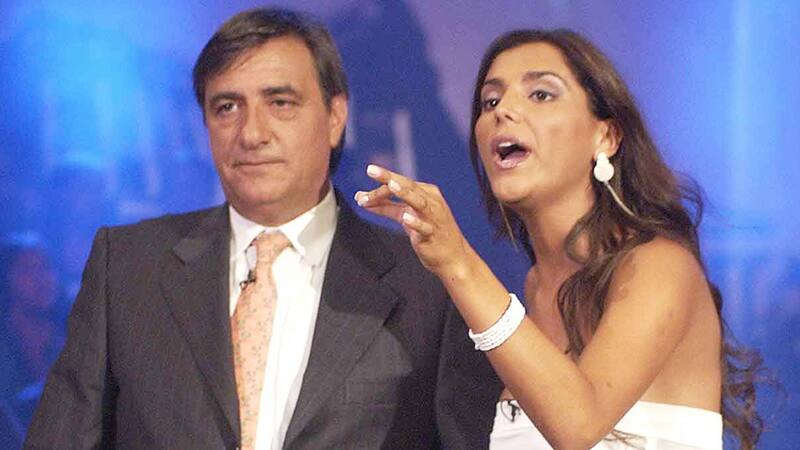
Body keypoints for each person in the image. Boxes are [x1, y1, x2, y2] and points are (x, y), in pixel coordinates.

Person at [23, 8, 499, 450]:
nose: (251, 133)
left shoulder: (426, 287)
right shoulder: (128, 268)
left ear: (335, 117)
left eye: (281, 102)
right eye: (227, 107)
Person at [356, 29, 763, 449]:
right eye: (490, 101)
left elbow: (578, 426)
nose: (503, 110)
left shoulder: (658, 266)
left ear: (606, 136)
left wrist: (458, 262)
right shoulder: (536, 287)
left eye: (541, 94)